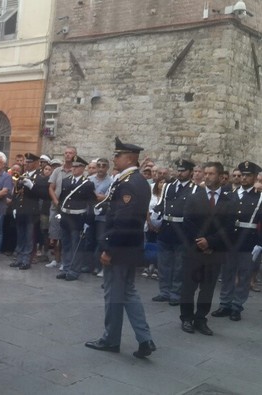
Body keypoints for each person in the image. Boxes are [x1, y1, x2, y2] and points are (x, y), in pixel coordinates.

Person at [85, 137, 156, 359]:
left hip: (120, 248)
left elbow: (123, 220)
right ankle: (145, 338)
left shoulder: (128, 183)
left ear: (130, 158)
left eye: (118, 155)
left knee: (114, 295)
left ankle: (111, 339)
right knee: (128, 293)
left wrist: (109, 249)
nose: (114, 158)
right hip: (131, 247)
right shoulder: (138, 181)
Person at [179, 162, 231, 336]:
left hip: (214, 252)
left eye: (211, 174)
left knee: (207, 288)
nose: (206, 176)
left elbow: (229, 227)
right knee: (189, 286)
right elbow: (188, 221)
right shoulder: (195, 197)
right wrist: (200, 242)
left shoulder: (228, 199)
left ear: (220, 176)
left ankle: (201, 318)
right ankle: (186, 318)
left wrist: (211, 242)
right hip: (194, 250)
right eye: (205, 173)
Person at [211, 161, 262, 322]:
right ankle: (225, 303)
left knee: (244, 275)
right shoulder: (229, 195)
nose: (244, 178)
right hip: (229, 240)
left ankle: (237, 306)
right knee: (227, 273)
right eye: (243, 175)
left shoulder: (259, 197)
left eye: (248, 175)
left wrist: (259, 244)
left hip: (248, 241)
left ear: (254, 177)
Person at [152, 159, 195, 306]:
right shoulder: (168, 187)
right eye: (179, 170)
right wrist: (154, 219)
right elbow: (161, 205)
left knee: (179, 266)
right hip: (166, 228)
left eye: (183, 170)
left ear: (190, 172)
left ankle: (176, 293)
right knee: (164, 263)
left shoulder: (194, 189)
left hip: (182, 231)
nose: (180, 173)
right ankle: (164, 291)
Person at [56, 155, 95, 281]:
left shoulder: (88, 184)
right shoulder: (67, 181)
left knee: (76, 245)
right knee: (66, 244)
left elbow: (91, 203)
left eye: (77, 166)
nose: (74, 168)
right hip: (66, 216)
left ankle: (74, 270)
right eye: (73, 166)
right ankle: (66, 267)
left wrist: (88, 221)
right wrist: (59, 213)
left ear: (83, 168)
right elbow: (62, 199)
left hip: (78, 217)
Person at [11, 153, 49, 270]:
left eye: (29, 162)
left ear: (36, 163)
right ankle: (19, 258)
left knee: (29, 237)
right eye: (26, 162)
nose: (26, 164)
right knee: (20, 236)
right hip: (21, 210)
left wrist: (32, 186)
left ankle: (26, 260)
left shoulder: (40, 177)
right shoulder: (23, 174)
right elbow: (17, 193)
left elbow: (44, 194)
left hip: (32, 211)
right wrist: (14, 207)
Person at [47, 146, 77, 269]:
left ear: (75, 155)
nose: (67, 155)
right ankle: (56, 259)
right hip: (56, 207)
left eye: (70, 153)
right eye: (66, 153)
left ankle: (66, 261)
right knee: (55, 233)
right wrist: (55, 201)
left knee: (66, 235)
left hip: (70, 208)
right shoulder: (57, 171)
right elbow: (51, 187)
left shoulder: (76, 171)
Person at [89, 158, 113, 276]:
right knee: (89, 239)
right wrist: (98, 196)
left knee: (101, 240)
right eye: (99, 165)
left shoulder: (111, 181)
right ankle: (90, 265)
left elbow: (108, 197)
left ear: (107, 167)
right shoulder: (90, 179)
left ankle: (101, 266)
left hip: (102, 215)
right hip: (89, 214)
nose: (101, 168)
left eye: (104, 166)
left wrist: (97, 196)